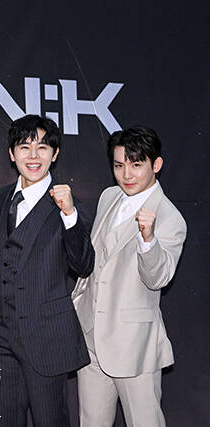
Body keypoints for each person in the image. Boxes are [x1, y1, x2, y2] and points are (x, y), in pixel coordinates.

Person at [0, 114, 94, 426]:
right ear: (11, 153)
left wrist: (69, 214)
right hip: (0, 336)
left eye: (42, 148)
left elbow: (83, 264)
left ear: (54, 154)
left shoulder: (69, 204)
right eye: (24, 147)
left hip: (46, 336)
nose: (33, 156)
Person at [72, 126, 187, 427]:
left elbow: (158, 278)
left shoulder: (170, 217)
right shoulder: (109, 196)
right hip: (91, 337)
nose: (126, 175)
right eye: (119, 165)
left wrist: (148, 240)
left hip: (134, 345)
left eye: (136, 165)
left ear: (156, 164)